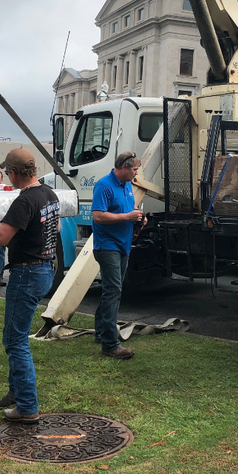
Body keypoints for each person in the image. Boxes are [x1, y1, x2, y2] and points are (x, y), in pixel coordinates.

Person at [0, 148, 60, 424]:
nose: (7, 177)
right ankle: (15, 395)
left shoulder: (25, 200)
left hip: (27, 273)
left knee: (16, 341)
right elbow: (56, 227)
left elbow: (0, 237)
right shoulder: (49, 194)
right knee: (13, 337)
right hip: (43, 268)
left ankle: (27, 407)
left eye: (8, 172)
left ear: (15, 173)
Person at [91, 151, 145, 360]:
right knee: (113, 290)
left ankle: (100, 331)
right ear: (123, 167)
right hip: (107, 246)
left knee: (111, 290)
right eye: (134, 169)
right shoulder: (104, 186)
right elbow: (98, 216)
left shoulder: (127, 185)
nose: (136, 173)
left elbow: (127, 210)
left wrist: (137, 218)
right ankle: (110, 344)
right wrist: (127, 216)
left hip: (123, 245)